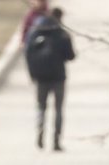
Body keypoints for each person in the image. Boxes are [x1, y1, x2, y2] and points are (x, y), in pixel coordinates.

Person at [24, 6, 76, 151]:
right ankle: (56, 140)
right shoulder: (62, 34)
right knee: (58, 109)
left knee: (41, 107)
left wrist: (32, 74)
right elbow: (71, 56)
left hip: (40, 77)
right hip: (58, 76)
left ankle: (40, 131)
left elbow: (27, 53)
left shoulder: (35, 32)